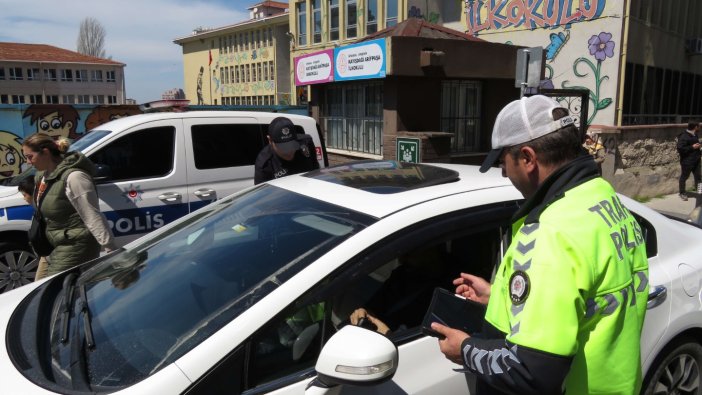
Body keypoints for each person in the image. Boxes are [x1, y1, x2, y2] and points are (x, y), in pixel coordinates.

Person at [431, 95, 649, 394]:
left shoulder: (552, 233)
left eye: (502, 161)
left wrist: (465, 350)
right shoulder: (601, 198)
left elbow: (533, 371)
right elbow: (582, 297)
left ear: (528, 158)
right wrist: (499, 296)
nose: (504, 172)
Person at [22, 133, 116, 276]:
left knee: (52, 292)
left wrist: (112, 251)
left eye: (30, 157)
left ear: (45, 153)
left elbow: (92, 215)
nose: (28, 162)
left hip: (76, 245)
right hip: (54, 245)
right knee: (39, 290)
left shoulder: (75, 177)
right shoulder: (42, 176)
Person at [254, 117, 319, 184]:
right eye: (283, 147)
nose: (289, 151)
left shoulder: (306, 143)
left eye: (292, 145)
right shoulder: (265, 164)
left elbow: (316, 172)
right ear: (270, 140)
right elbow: (263, 193)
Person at [17, 176, 50, 281]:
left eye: (25, 195)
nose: (24, 198)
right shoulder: (38, 209)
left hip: (49, 255)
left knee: (40, 283)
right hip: (45, 255)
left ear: (34, 194)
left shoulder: (44, 211)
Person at [676, 121, 702, 201]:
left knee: (698, 177)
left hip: (696, 160)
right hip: (687, 162)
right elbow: (680, 149)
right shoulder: (683, 136)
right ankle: (682, 193)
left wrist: (699, 148)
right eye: (699, 126)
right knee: (684, 177)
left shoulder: (695, 134)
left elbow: (695, 146)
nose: (700, 128)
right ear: (695, 127)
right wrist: (692, 147)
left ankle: (700, 193)